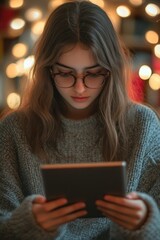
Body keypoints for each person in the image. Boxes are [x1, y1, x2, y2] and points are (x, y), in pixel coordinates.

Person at [0, 0, 160, 239]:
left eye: (94, 74)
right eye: (65, 73)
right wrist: (30, 223)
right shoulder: (14, 129)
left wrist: (145, 221)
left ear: (111, 70)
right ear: (46, 70)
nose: (80, 87)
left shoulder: (143, 125)